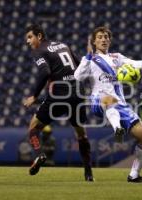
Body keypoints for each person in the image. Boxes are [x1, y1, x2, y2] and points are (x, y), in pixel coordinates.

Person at [74, 26, 142, 182]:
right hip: (98, 100)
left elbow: (132, 63)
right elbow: (77, 77)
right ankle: (117, 128)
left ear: (110, 40)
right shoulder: (90, 59)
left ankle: (134, 175)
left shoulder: (115, 57)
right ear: (94, 41)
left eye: (106, 37)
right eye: (100, 37)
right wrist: (88, 56)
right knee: (109, 99)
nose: (103, 39)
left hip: (120, 104)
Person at [23, 24, 94, 181]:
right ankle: (88, 174)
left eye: (30, 37)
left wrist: (34, 96)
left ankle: (39, 154)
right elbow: (79, 66)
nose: (28, 41)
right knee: (81, 134)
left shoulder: (39, 50)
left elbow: (45, 72)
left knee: (33, 128)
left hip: (60, 94)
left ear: (39, 36)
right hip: (77, 92)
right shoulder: (63, 45)